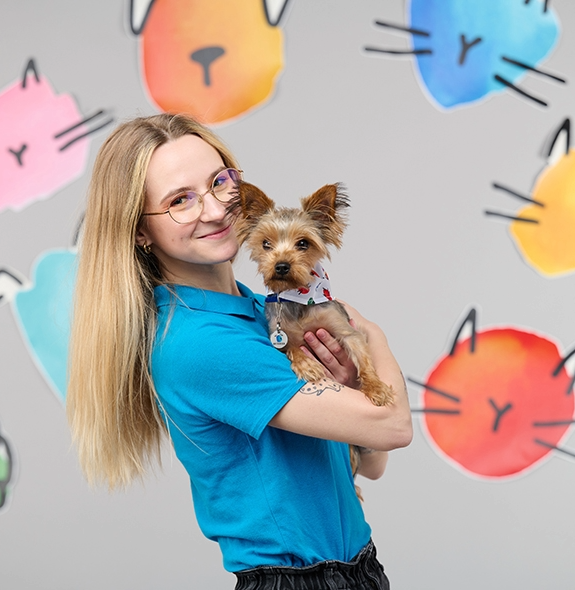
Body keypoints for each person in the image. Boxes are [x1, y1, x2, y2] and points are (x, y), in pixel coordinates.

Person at [67, 113, 412, 590]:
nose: (214, 210)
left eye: (218, 183)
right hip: (300, 581)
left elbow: (371, 463)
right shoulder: (199, 344)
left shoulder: (261, 311)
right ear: (139, 231)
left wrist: (354, 386)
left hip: (358, 568)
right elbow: (394, 426)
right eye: (180, 201)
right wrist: (374, 334)